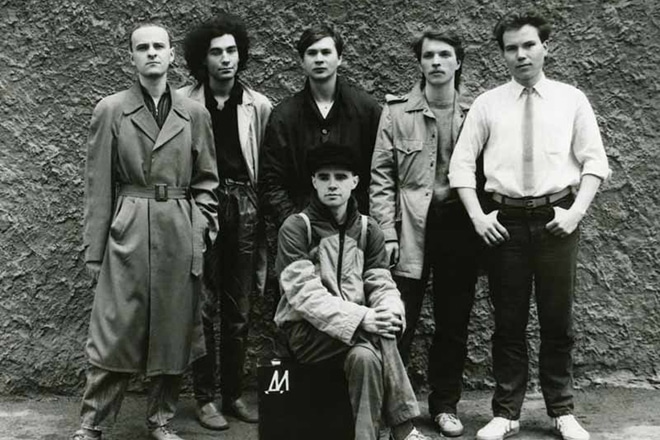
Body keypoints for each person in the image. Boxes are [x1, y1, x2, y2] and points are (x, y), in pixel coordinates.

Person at [448, 11, 610, 440]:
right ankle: (506, 412)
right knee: (508, 322)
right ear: (502, 54)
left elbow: (595, 163)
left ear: (544, 48)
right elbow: (460, 166)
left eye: (528, 45)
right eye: (511, 48)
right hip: (506, 225)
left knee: (558, 320)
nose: (520, 55)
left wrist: (575, 213)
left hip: (557, 220)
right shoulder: (487, 104)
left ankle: (561, 410)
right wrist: (478, 217)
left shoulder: (571, 99)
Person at [72, 23, 219, 440]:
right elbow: (99, 185)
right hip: (129, 227)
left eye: (159, 46)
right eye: (143, 47)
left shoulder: (194, 113)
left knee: (174, 328)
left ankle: (161, 420)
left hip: (178, 227)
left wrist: (200, 227)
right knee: (115, 330)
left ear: (172, 55)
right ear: (132, 57)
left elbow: (207, 180)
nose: (151, 53)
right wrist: (95, 250)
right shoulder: (111, 109)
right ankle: (92, 424)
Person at [274, 141, 431, 440]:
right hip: (305, 334)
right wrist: (364, 319)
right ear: (313, 181)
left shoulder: (369, 230)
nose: (332, 185)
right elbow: (305, 297)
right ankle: (404, 429)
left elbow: (381, 283)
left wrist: (390, 311)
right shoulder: (297, 228)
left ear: (355, 181)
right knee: (379, 334)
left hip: (357, 335)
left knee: (366, 358)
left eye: (341, 177)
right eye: (324, 177)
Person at [369, 31, 480, 438]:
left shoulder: (476, 111)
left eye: (444, 55)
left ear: (458, 62)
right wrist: (387, 232)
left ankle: (445, 405)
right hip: (410, 227)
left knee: (453, 321)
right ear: (419, 63)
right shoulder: (397, 112)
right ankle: (395, 412)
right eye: (428, 55)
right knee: (400, 319)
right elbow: (381, 177)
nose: (436, 62)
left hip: (460, 228)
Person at [178, 13, 272, 429]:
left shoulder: (258, 105)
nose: (226, 59)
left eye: (232, 50)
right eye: (216, 52)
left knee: (240, 308)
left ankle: (233, 394)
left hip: (245, 204)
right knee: (202, 306)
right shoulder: (183, 103)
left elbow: (265, 164)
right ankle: (205, 398)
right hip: (200, 204)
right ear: (203, 58)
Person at [259, 24, 382, 228]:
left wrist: (364, 224)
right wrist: (296, 225)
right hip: (302, 227)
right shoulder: (284, 116)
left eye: (326, 52)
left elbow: (381, 174)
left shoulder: (366, 110)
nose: (319, 59)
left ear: (339, 58)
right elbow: (271, 181)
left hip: (355, 228)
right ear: (302, 61)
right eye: (312, 53)